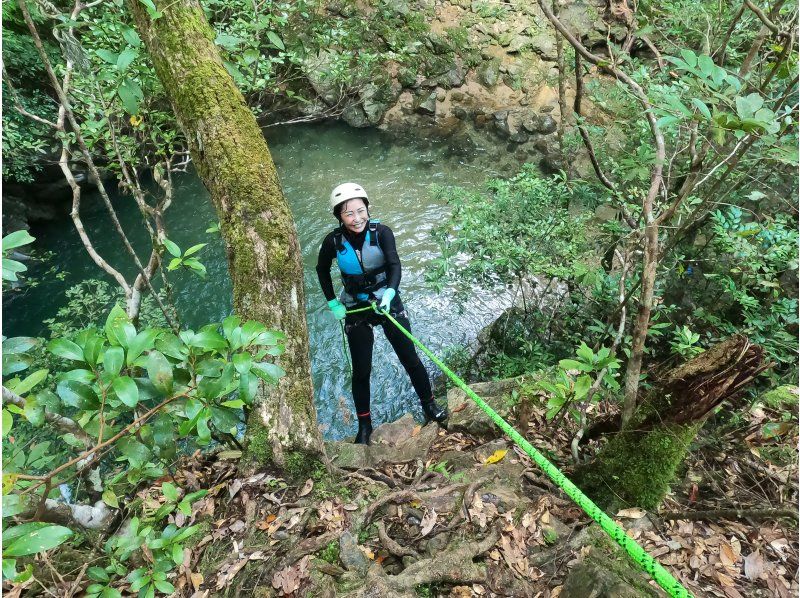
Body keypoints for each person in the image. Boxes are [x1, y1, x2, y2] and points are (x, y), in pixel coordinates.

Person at [316, 182, 447, 445]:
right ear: (339, 216)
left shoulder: (382, 232)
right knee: (362, 370)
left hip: (386, 301)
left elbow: (395, 264)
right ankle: (365, 426)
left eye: (360, 211)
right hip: (356, 307)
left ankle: (429, 405)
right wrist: (333, 303)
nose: (356, 219)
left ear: (367, 208)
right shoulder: (333, 241)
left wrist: (389, 293)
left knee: (409, 357)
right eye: (348, 214)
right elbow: (321, 270)